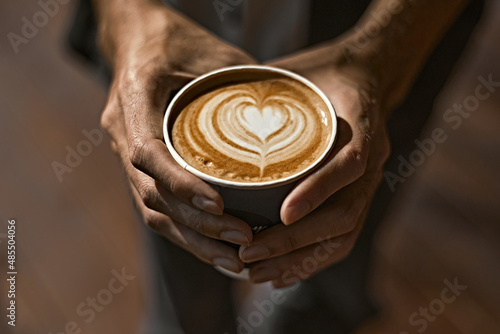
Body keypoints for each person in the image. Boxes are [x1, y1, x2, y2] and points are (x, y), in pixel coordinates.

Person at [69, 0, 484, 332]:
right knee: (182, 274)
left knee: (335, 253)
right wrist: (124, 15)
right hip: (160, 58)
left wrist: (384, 51)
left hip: (373, 37)